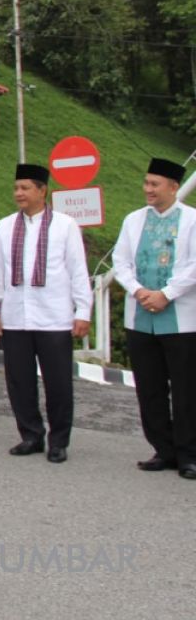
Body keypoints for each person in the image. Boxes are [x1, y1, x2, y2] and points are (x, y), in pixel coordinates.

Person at [0, 163, 91, 464]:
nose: (18, 193)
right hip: (16, 316)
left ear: (42, 191)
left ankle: (58, 441)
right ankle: (31, 435)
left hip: (54, 316)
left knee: (58, 383)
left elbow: (78, 272)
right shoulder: (6, 226)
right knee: (19, 381)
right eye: (16, 188)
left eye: (25, 188)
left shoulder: (65, 225)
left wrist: (83, 311)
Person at [112, 157, 196, 480]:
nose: (148, 189)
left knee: (186, 387)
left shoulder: (190, 219)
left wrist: (166, 294)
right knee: (149, 386)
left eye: (154, 184)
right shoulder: (134, 220)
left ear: (173, 187)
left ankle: (189, 454)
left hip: (181, 319)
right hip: (141, 316)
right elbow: (121, 262)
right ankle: (163, 449)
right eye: (146, 183)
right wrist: (138, 290)